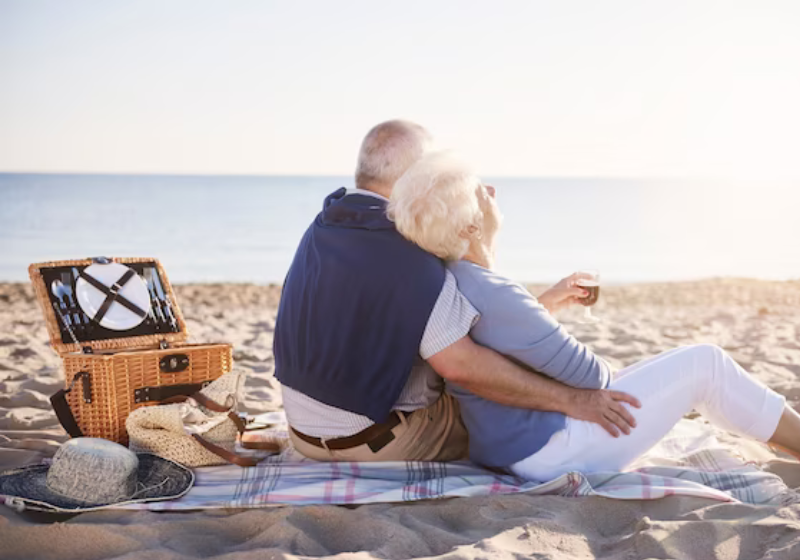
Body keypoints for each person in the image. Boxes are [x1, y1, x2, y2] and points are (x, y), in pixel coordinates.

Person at [387, 150, 800, 480]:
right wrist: (536, 316)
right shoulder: (496, 293)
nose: (492, 190)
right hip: (553, 450)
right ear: (470, 228)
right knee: (705, 364)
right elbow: (594, 380)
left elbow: (499, 336)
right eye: (481, 191)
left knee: (681, 368)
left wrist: (541, 306)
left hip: (508, 448)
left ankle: (779, 435)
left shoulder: (453, 278)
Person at [273, 120, 641, 462]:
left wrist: (541, 304)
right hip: (375, 444)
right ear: (416, 177)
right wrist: (573, 400)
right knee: (499, 403)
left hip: (305, 437)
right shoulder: (406, 249)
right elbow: (464, 367)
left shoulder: (327, 224)